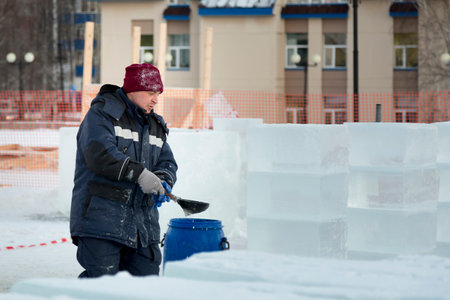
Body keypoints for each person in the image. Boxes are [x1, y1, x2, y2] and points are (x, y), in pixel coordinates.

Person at [70, 63, 178, 278]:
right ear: (133, 90)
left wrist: (162, 179)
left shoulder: (154, 125)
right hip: (101, 222)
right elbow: (99, 153)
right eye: (150, 93)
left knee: (144, 289)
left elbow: (167, 161)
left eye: (158, 93)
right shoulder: (102, 115)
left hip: (143, 228)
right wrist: (139, 174)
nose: (156, 99)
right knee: (101, 290)